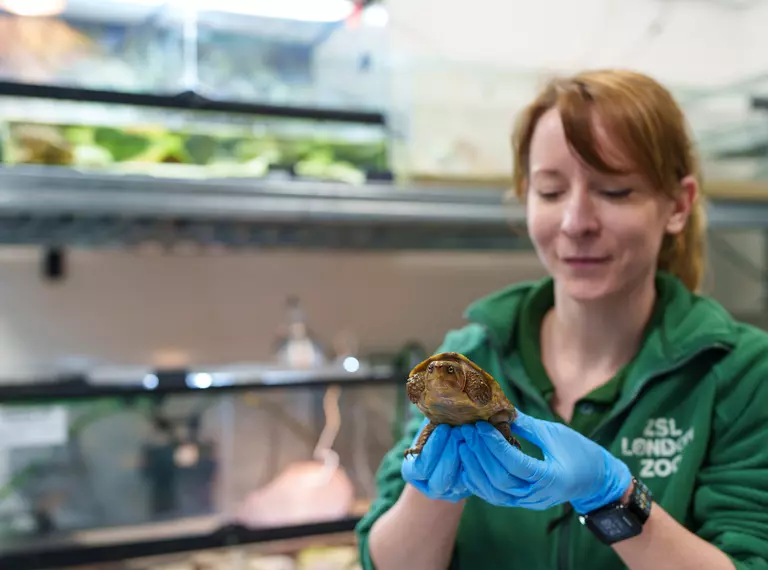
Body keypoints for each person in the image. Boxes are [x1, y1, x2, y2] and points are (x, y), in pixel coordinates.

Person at [354, 68, 768, 570]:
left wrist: (612, 498)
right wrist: (435, 493)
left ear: (678, 205)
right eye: (551, 192)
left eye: (614, 191)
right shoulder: (475, 355)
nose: (576, 223)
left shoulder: (742, 374)